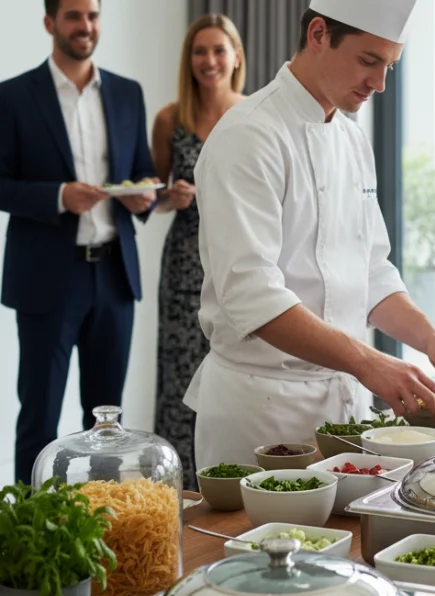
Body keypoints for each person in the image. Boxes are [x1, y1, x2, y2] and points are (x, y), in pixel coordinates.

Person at [184, 0, 435, 470]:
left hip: (345, 407)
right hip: (261, 410)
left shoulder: (350, 138)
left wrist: (432, 339)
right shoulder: (247, 136)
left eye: (389, 65)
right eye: (368, 61)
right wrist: (368, 362)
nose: (380, 84)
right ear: (318, 34)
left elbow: (371, 272)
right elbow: (251, 296)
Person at [0, 0, 157, 484]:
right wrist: (59, 196)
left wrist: (143, 195)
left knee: (108, 422)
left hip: (113, 275)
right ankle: (29, 533)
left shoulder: (128, 93)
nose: (85, 26)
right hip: (48, 277)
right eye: (73, 16)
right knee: (40, 415)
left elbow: (143, 172)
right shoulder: (13, 96)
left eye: (92, 15)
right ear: (50, 23)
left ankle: (107, 523)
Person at [151, 14, 246, 491]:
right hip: (185, 264)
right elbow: (153, 194)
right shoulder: (170, 119)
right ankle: (180, 491)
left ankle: (231, 480)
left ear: (236, 57)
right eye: (199, 51)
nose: (209, 61)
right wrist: (172, 197)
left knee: (233, 373)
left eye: (218, 50)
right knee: (178, 378)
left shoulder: (251, 115)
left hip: (236, 260)